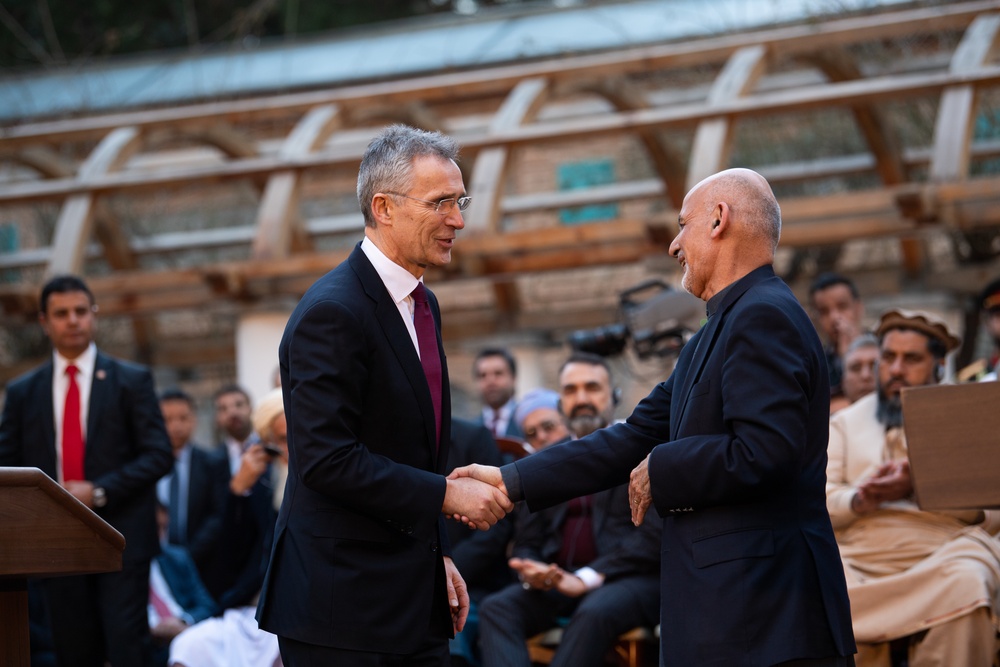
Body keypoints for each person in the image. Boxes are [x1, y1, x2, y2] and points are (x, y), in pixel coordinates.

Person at [452, 168, 856, 665]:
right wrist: (507, 480)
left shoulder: (764, 315)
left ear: (718, 220)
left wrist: (663, 467)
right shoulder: (713, 334)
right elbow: (629, 437)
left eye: (683, 224)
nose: (674, 244)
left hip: (767, 618)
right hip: (729, 614)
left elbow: (765, 452)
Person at [255, 124, 513, 666]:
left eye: (460, 201)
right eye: (441, 203)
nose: (459, 220)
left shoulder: (423, 303)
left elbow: (404, 450)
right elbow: (327, 459)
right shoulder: (333, 312)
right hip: (340, 611)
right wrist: (444, 496)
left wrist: (434, 556)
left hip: (410, 595)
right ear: (384, 207)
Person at [0, 274, 174, 667]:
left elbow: (159, 454)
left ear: (94, 315)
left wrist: (98, 491)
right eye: (61, 314)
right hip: (56, 545)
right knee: (74, 652)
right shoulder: (24, 391)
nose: (73, 320)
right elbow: (7, 466)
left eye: (81, 311)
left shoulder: (131, 380)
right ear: (44, 322)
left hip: (121, 538)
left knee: (127, 647)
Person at [826, 308, 1000, 666]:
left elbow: (992, 512)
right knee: (818, 582)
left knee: (970, 581)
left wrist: (916, 486)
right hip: (861, 554)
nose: (896, 369)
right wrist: (861, 498)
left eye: (912, 358)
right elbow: (818, 500)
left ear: (938, 365)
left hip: (944, 552)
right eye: (888, 357)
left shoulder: (967, 415)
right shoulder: (843, 423)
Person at [478, 352, 660, 667]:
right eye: (571, 390)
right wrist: (533, 571)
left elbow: (653, 539)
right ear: (561, 404)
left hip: (629, 580)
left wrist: (588, 578)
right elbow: (527, 540)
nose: (582, 398)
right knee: (496, 608)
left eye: (592, 388)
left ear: (614, 397)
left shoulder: (643, 454)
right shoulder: (547, 465)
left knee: (595, 611)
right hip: (558, 582)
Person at [169, 388, 285, 667]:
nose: (288, 448)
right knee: (187, 648)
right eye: (279, 441)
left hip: (298, 613)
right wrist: (238, 491)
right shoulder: (265, 481)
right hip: (250, 606)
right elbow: (236, 549)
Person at [447, 418, 515, 667]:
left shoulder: (473, 437)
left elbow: (495, 526)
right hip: (416, 577)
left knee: (451, 626)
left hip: (475, 582)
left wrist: (446, 572)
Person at [158, 388, 231, 582]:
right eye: (167, 419)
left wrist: (188, 556)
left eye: (183, 418)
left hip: (200, 564)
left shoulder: (212, 463)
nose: (176, 426)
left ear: (194, 419)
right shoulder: (145, 465)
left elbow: (217, 515)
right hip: (153, 565)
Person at [149, 503, 218, 667]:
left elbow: (208, 605)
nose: (159, 535)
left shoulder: (176, 558)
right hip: (149, 645)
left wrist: (184, 621)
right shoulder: (120, 571)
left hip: (187, 634)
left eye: (163, 528)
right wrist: (153, 630)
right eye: (154, 528)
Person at [809, 272, 866, 403]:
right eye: (824, 311)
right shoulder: (817, 364)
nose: (834, 318)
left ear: (858, 308)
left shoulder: (883, 349)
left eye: (842, 306)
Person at [474, 348, 523, 439]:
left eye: (498, 373)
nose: (490, 381)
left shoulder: (527, 423)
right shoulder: (471, 430)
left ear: (513, 378)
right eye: (483, 375)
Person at [213, 384, 256, 475]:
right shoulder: (212, 460)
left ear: (251, 409)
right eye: (224, 408)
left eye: (239, 405)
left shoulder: (269, 449)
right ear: (218, 418)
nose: (232, 412)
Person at [830, 334, 879, 414]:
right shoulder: (832, 424)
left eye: (875, 367)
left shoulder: (905, 421)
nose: (865, 375)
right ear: (843, 381)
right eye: (856, 368)